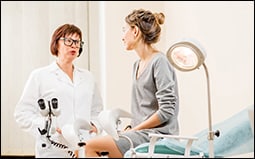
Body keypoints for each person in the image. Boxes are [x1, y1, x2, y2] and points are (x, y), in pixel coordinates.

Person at [84, 8, 180, 158]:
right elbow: (142, 110)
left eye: (124, 30)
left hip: (157, 135)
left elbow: (167, 110)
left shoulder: (159, 62)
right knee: (94, 147)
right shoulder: (137, 64)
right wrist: (131, 127)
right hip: (141, 133)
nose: (122, 37)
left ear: (135, 31)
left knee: (90, 147)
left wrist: (135, 130)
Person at [14, 23, 103, 158]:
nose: (74, 45)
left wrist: (95, 126)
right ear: (56, 44)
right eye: (68, 41)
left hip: (84, 147)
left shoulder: (88, 77)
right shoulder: (40, 76)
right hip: (53, 149)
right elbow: (22, 113)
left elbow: (97, 110)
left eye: (77, 42)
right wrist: (49, 127)